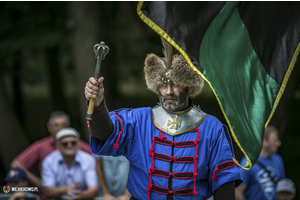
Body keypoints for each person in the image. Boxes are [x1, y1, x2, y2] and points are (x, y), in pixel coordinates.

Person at [84, 38, 242, 200]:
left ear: (188, 86)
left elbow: (224, 180)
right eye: (163, 85)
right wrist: (97, 105)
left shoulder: (211, 127)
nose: (168, 91)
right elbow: (104, 133)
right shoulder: (138, 120)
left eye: (175, 84)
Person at [10, 111, 92, 187]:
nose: (60, 128)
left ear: (68, 127)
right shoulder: (40, 146)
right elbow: (16, 164)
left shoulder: (75, 143)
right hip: (49, 194)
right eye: (56, 125)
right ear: (49, 128)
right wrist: (39, 182)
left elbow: (97, 158)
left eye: (63, 125)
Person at [41, 127, 98, 199]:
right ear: (58, 145)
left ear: (78, 144)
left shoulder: (88, 159)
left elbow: (94, 189)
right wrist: (66, 189)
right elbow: (47, 191)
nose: (69, 145)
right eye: (65, 143)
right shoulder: (49, 161)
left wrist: (82, 195)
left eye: (73, 143)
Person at [235, 125, 286, 200]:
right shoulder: (248, 162)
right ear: (264, 141)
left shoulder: (278, 159)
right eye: (275, 140)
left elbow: (282, 186)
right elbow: (238, 191)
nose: (279, 143)